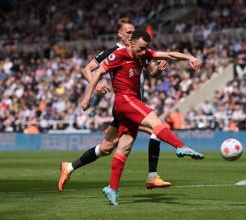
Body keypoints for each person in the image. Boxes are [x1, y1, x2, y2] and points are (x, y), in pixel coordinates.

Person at [81, 29, 205, 205]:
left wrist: (189, 58)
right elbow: (98, 73)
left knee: (124, 147)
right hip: (124, 100)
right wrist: (87, 97)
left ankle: (112, 189)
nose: (143, 52)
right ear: (131, 44)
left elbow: (169, 54)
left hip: (130, 102)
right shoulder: (119, 55)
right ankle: (181, 147)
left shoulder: (144, 53)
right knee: (154, 120)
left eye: (145, 48)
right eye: (140, 48)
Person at [58, 17, 171, 192]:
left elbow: (153, 73)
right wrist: (95, 87)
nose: (132, 35)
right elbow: (87, 69)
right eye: (128, 32)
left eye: (133, 32)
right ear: (120, 34)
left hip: (135, 104)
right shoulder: (112, 52)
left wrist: (160, 69)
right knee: (157, 130)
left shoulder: (139, 50)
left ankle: (69, 167)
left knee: (105, 148)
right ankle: (152, 177)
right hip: (126, 105)